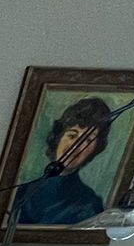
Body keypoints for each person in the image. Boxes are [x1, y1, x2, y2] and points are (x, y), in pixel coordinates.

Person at [15, 96, 111, 225]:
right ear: (58, 138)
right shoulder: (22, 193)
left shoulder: (90, 204)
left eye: (88, 140)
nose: (76, 145)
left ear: (95, 149)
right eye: (72, 135)